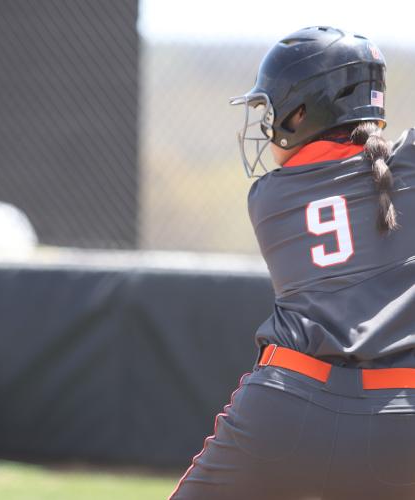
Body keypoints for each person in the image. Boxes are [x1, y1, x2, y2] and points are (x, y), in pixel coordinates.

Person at [169, 26, 415, 500]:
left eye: (273, 108)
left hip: (285, 407)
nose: (267, 123)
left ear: (302, 112)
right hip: (402, 416)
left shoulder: (269, 198)